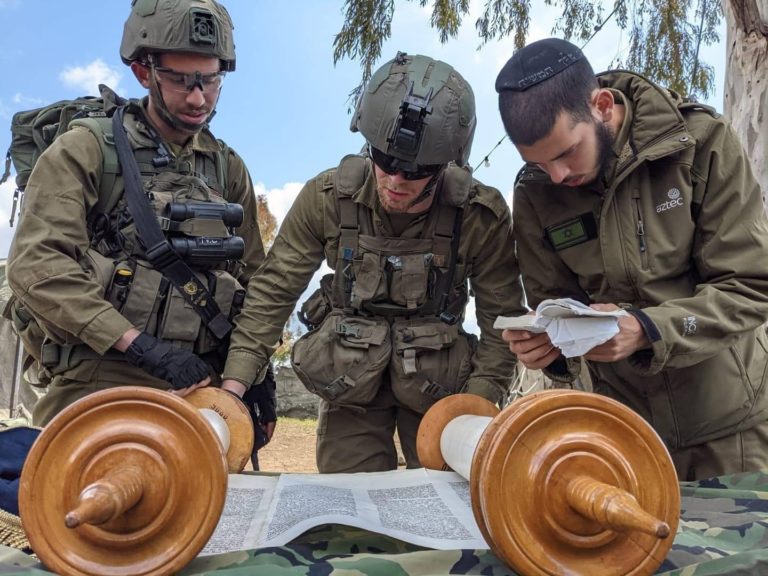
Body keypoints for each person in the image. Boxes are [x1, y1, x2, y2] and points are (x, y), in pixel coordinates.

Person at [221, 52, 525, 473]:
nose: (397, 180)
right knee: (349, 514)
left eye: (417, 171)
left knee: (453, 505)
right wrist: (233, 388)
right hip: (350, 386)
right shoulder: (326, 199)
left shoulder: (478, 214)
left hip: (443, 389)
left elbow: (502, 319)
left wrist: (475, 403)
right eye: (384, 160)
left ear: (448, 164)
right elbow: (274, 291)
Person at [495, 37, 768, 481]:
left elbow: (751, 287)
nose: (558, 175)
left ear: (601, 105)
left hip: (732, 429)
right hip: (624, 439)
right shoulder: (535, 192)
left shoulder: (698, 144)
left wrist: (648, 329)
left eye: (566, 153)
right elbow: (556, 308)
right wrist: (549, 348)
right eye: (540, 163)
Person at [6, 0, 268, 426]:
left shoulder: (226, 166)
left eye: (211, 80)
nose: (199, 97)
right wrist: (138, 345)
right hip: (102, 373)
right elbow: (37, 264)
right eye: (181, 80)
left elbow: (257, 281)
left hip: (204, 382)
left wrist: (255, 374)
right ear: (144, 73)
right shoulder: (89, 148)